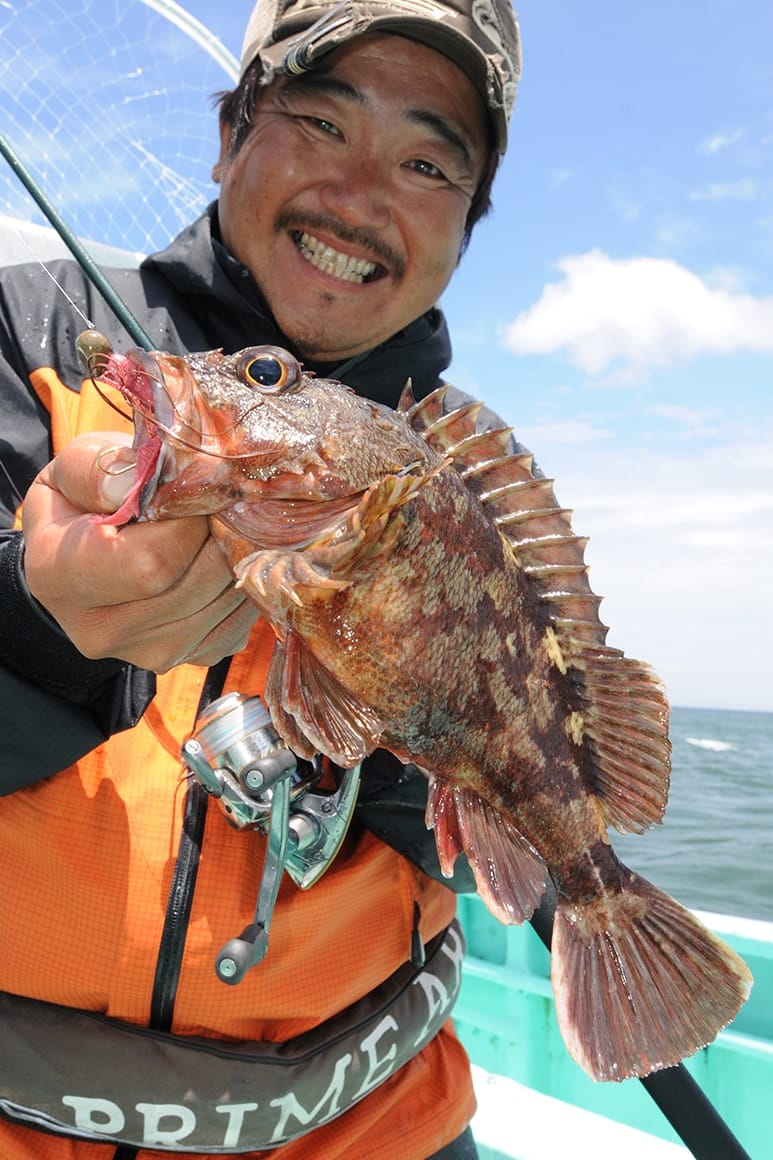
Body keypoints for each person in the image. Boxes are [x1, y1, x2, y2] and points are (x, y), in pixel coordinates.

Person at [0, 1, 521, 1157]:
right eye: (322, 122)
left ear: (464, 225)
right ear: (231, 135)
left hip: (382, 1124)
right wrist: (32, 626)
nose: (361, 192)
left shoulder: (467, 502)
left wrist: (404, 733)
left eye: (428, 159)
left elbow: (475, 848)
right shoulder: (33, 338)